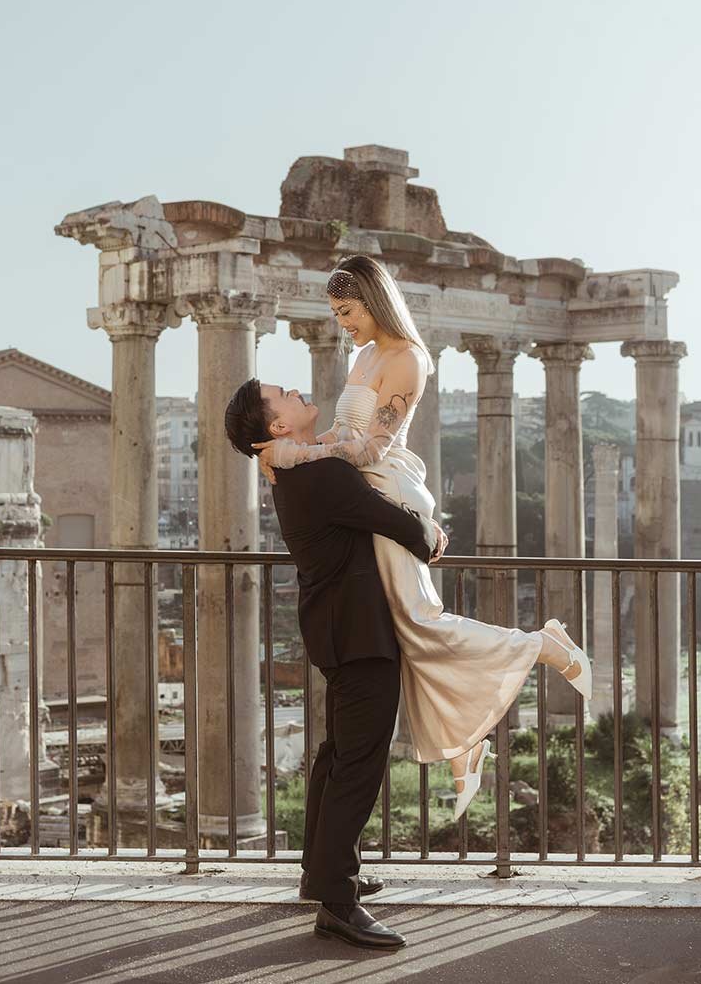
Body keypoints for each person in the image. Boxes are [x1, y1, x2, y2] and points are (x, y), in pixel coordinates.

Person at [251, 254, 593, 820]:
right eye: (336, 313)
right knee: (410, 634)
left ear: (374, 300)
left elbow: (371, 447)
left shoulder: (409, 359)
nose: (343, 323)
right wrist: (290, 454)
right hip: (365, 491)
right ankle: (465, 745)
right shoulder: (363, 356)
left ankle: (543, 646)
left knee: (420, 623)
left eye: (348, 309)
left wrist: (295, 453)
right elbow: (343, 431)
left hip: (389, 488)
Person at [226, 378, 443, 951]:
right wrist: (430, 533)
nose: (296, 390)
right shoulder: (317, 473)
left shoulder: (298, 468)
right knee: (359, 763)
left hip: (337, 629)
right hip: (358, 633)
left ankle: (321, 873)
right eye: (283, 393)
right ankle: (337, 904)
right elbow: (392, 520)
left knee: (337, 755)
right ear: (276, 426)